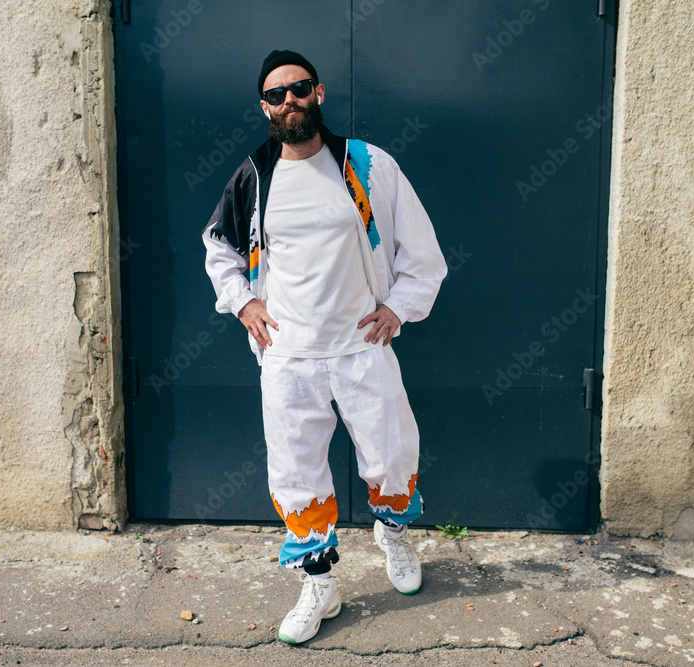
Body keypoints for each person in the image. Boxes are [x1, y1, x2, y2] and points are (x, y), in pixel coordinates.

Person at [202, 49, 447, 644]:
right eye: (278, 93)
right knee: (296, 471)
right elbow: (219, 248)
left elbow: (422, 252)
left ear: (319, 93)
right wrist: (245, 303)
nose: (291, 100)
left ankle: (392, 534)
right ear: (265, 107)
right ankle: (319, 584)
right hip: (288, 355)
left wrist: (399, 308)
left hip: (361, 345)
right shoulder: (253, 177)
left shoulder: (366, 166)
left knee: (390, 453)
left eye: (300, 88)